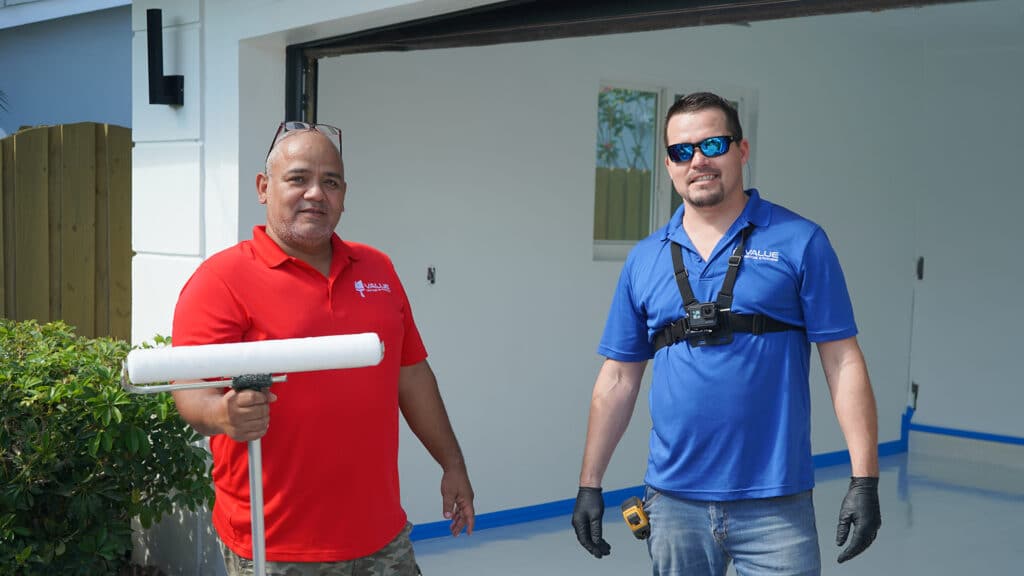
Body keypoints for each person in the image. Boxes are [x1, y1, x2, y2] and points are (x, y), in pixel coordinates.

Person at [572, 92, 880, 575]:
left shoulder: (801, 241)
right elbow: (617, 379)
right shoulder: (645, 259)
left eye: (713, 144)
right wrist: (590, 483)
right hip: (673, 504)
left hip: (775, 502)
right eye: (681, 151)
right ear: (670, 164)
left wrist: (865, 480)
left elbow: (843, 361)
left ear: (742, 149)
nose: (697, 160)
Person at [171, 121, 474, 576]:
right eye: (298, 178)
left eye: (330, 182)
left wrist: (452, 464)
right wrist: (224, 416)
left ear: (344, 194)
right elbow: (189, 392)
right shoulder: (221, 281)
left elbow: (410, 374)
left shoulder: (377, 267)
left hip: (380, 534)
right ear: (263, 187)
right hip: (276, 544)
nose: (316, 193)